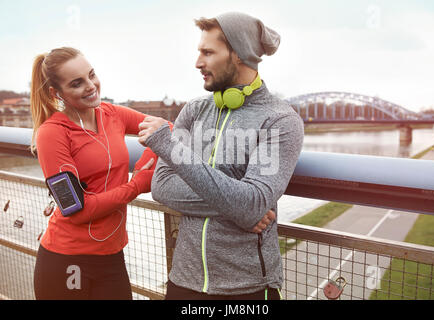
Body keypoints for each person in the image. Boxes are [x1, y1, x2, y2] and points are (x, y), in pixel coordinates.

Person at [138, 12, 304, 299]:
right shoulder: (194, 110)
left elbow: (252, 202)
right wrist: (239, 209)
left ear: (238, 54)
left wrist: (170, 147)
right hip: (183, 281)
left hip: (247, 290)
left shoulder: (279, 120)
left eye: (208, 52)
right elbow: (161, 187)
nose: (198, 63)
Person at [30, 47, 159, 300]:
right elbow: (78, 211)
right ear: (57, 93)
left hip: (112, 256)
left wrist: (149, 157)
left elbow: (167, 128)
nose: (91, 86)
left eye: (92, 75)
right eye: (77, 83)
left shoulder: (113, 114)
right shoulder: (52, 134)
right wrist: (138, 184)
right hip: (67, 261)